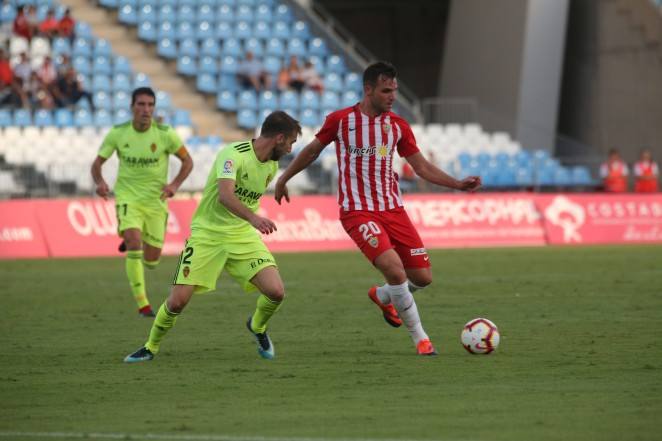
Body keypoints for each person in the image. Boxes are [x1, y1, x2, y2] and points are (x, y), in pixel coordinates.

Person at [274, 61, 481, 356]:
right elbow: (311, 150)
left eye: (394, 90)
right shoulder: (341, 120)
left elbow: (420, 166)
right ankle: (421, 339)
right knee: (395, 271)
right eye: (386, 91)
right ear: (368, 90)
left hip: (393, 209)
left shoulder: (397, 126)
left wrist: (457, 184)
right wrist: (284, 178)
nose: (392, 96)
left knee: (422, 278)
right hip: (357, 212)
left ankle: (383, 296)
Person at [123, 111, 301, 363]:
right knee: (177, 302)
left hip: (240, 235)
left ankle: (258, 326)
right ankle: (150, 347)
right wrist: (254, 218)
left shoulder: (271, 166)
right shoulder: (233, 155)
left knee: (276, 291)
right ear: (279, 138)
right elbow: (225, 196)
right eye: (291, 142)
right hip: (207, 234)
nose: (291, 148)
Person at [91, 87, 193, 317]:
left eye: (150, 105)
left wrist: (174, 185)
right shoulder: (118, 133)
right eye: (141, 104)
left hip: (156, 202)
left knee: (152, 261)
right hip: (127, 197)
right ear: (132, 107)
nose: (146, 109)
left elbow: (188, 162)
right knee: (135, 241)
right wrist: (99, 182)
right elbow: (96, 164)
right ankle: (143, 304)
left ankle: (129, 238)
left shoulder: (166, 134)